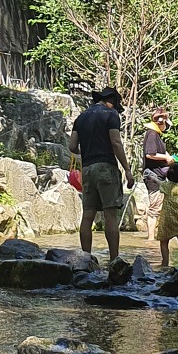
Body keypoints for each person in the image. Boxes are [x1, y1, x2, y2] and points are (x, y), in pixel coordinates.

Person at [68, 87, 133, 272]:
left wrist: (87, 151)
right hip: (106, 168)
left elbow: (72, 146)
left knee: (87, 215)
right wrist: (127, 170)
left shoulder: (81, 117)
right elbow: (115, 142)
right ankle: (114, 261)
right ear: (111, 100)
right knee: (110, 215)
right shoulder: (111, 114)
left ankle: (85, 258)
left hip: (87, 170)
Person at [141, 106, 172, 242]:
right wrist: (165, 158)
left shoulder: (155, 134)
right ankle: (151, 240)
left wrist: (168, 156)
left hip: (157, 175)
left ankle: (156, 237)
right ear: (162, 122)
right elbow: (150, 154)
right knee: (155, 209)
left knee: (159, 207)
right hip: (153, 176)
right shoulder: (152, 134)